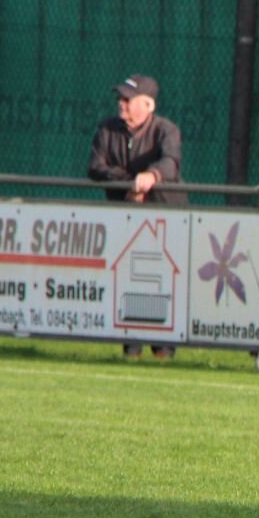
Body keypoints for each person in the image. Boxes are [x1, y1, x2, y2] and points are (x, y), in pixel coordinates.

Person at [87, 73, 184, 360]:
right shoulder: (107, 130)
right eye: (121, 98)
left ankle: (163, 350)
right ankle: (131, 349)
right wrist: (130, 182)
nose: (122, 103)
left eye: (128, 99)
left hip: (165, 218)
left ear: (148, 105)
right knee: (128, 281)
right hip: (126, 219)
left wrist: (151, 176)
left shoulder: (166, 130)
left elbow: (170, 163)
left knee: (163, 284)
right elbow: (96, 167)